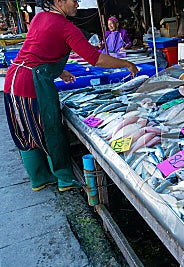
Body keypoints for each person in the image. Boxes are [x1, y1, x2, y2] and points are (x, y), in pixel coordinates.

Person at [3, 0, 138, 192]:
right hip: (33, 82)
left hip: (15, 78)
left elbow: (39, 50)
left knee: (25, 129)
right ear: (58, 1)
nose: (77, 4)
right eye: (73, 0)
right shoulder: (66, 27)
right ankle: (64, 179)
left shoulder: (40, 17)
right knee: (50, 130)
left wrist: (59, 71)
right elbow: (96, 58)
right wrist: (126, 64)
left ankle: (40, 178)